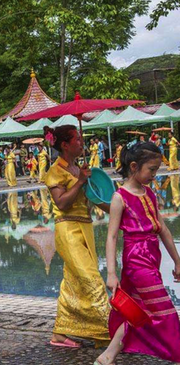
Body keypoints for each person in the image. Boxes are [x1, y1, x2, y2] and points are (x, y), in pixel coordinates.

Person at [95, 142, 180, 365]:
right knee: (165, 310)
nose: (154, 174)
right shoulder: (119, 198)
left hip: (152, 257)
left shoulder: (149, 193)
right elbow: (112, 237)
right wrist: (111, 273)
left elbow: (163, 229)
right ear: (134, 166)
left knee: (136, 310)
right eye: (151, 169)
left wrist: (177, 262)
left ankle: (108, 356)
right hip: (136, 259)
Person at [43, 125, 111, 348]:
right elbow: (62, 203)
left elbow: (96, 197)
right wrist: (80, 180)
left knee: (73, 282)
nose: (82, 142)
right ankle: (108, 330)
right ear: (65, 145)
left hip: (86, 228)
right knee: (92, 281)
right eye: (78, 139)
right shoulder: (55, 171)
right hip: (67, 230)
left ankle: (61, 333)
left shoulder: (78, 168)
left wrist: (122, 211)